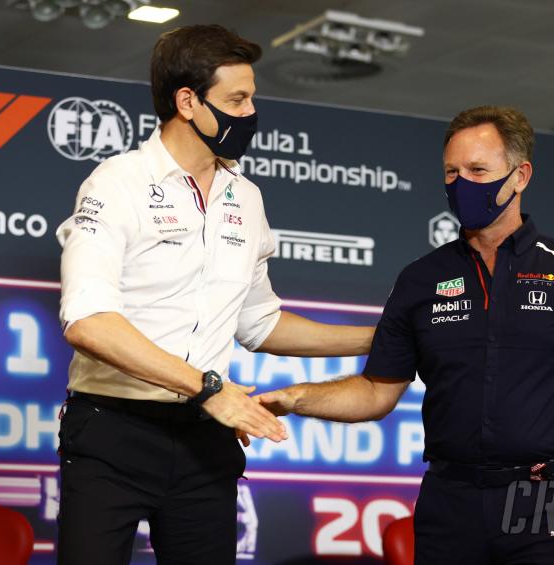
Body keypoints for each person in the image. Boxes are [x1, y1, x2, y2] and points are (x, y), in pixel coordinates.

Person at [259, 106, 554, 564]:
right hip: (449, 500)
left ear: (520, 176)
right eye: (451, 172)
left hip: (545, 501)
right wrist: (295, 398)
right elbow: (376, 392)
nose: (461, 184)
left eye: (478, 170)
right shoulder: (421, 279)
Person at [55, 24, 373, 565]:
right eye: (237, 99)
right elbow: (88, 320)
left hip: (205, 442)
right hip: (113, 431)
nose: (250, 113)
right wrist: (207, 387)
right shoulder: (117, 183)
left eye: (252, 98)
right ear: (188, 102)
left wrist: (381, 335)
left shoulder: (245, 196)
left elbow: (260, 323)